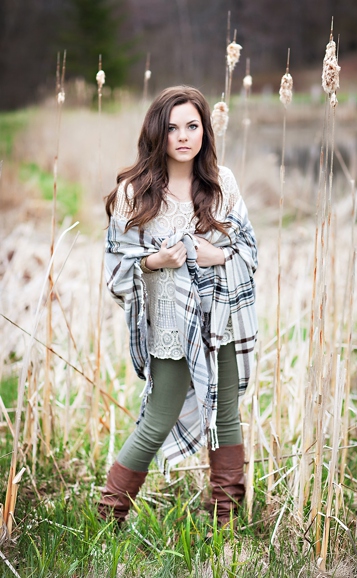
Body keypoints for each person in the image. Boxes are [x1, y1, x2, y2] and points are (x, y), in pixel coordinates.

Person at [100, 86, 258, 528]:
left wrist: (219, 256)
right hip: (170, 324)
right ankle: (108, 513)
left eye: (192, 126)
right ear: (158, 133)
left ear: (205, 131)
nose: (183, 136)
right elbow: (115, 269)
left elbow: (249, 250)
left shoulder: (222, 183)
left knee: (226, 415)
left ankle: (224, 520)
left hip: (221, 318)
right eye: (173, 128)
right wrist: (153, 261)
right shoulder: (135, 192)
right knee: (158, 418)